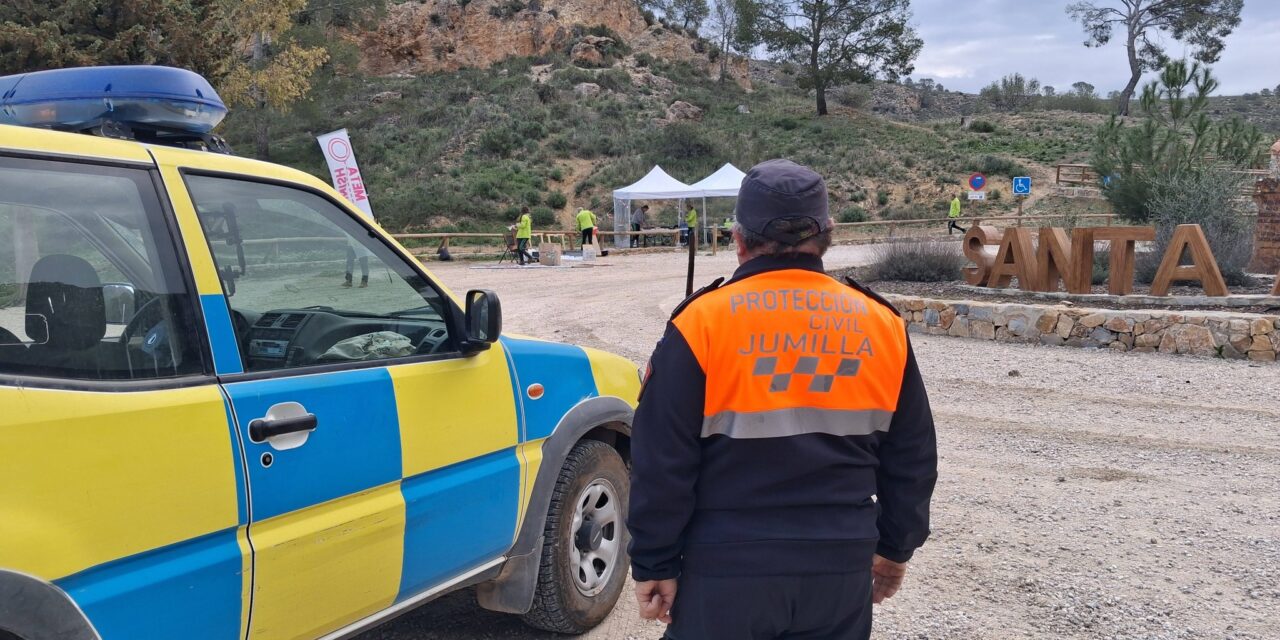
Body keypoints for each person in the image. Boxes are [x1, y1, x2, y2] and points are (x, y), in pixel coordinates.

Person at [628, 159, 938, 640]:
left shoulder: (701, 323)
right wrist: (897, 548)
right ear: (828, 234)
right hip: (839, 569)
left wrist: (655, 560)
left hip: (724, 569)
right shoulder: (881, 323)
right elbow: (912, 455)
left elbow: (662, 458)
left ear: (738, 238)